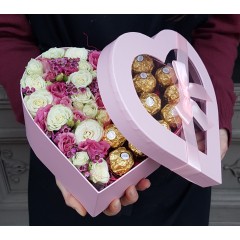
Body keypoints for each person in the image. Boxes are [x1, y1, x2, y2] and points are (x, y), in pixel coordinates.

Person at [0, 14, 239, 226]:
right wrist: (50, 135)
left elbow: (221, 25)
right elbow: (7, 32)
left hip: (177, 139)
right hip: (65, 152)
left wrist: (210, 110)